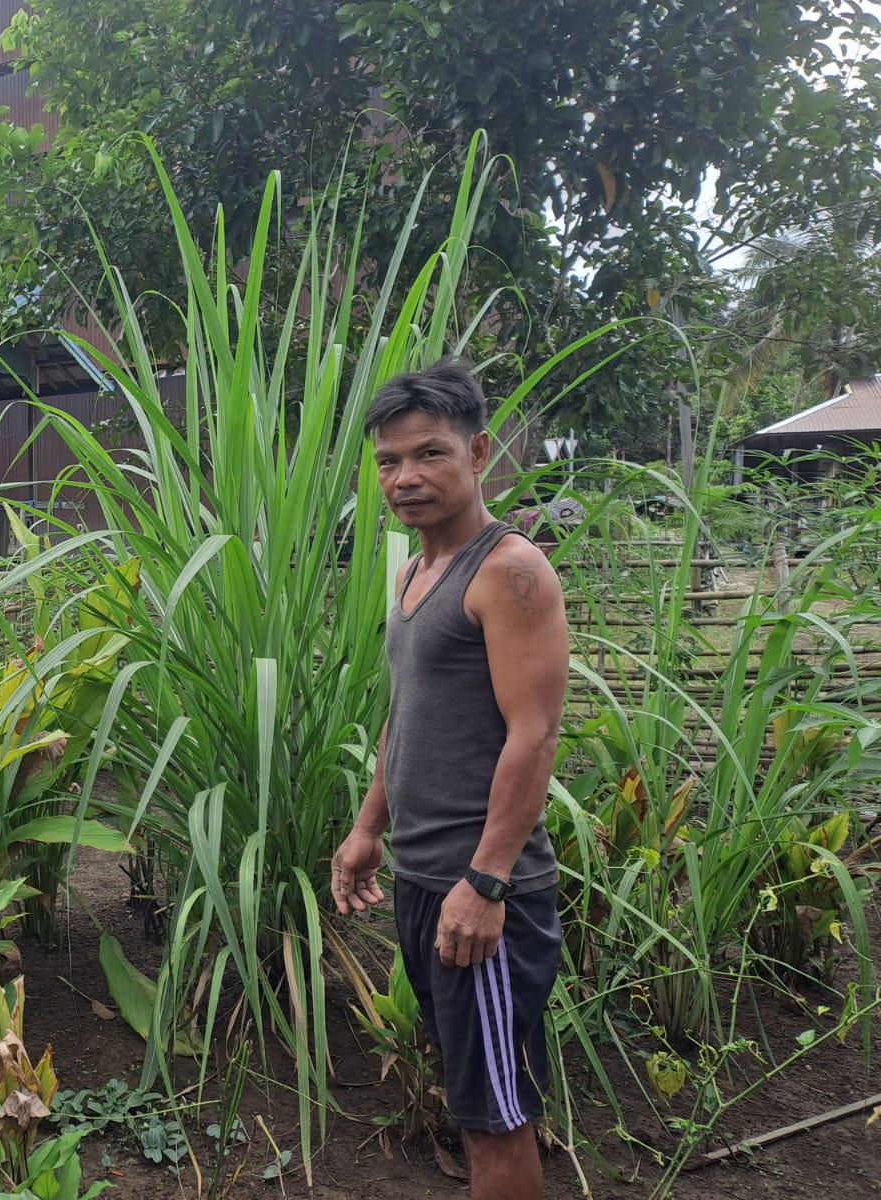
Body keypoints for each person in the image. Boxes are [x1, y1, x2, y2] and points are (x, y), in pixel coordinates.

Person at [330, 359, 569, 1200]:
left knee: (494, 1120)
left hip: (482, 892)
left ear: (478, 450)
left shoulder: (511, 573)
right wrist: (367, 829)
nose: (406, 478)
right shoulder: (411, 574)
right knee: (475, 1096)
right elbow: (410, 713)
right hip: (424, 880)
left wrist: (487, 879)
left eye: (429, 455)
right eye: (390, 462)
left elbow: (534, 736)